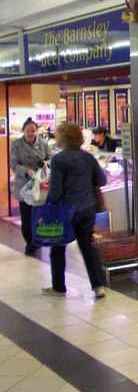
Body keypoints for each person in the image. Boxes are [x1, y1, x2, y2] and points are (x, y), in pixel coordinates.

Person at [42, 122, 108, 299]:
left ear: (61, 138)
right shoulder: (88, 158)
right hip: (87, 208)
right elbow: (101, 180)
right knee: (87, 247)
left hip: (65, 210)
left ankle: (59, 286)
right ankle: (98, 286)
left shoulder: (58, 160)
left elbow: (55, 191)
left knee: (58, 247)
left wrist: (46, 208)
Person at [10, 118, 52, 256]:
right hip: (25, 186)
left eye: (33, 131)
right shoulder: (16, 145)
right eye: (28, 131)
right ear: (23, 131)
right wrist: (26, 171)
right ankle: (30, 243)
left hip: (40, 186)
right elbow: (13, 164)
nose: (30, 134)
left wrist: (45, 163)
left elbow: (50, 158)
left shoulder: (43, 143)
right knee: (27, 217)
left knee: (39, 216)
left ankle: (38, 239)